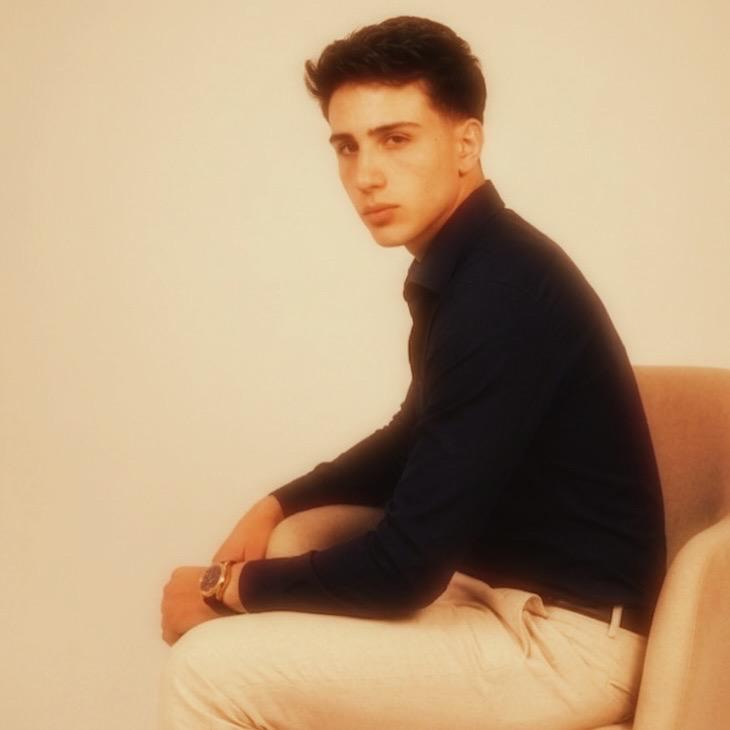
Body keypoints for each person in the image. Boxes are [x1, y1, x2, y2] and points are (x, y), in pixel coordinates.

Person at [159, 15, 666, 730]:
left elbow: (405, 570)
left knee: (206, 670)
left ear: (466, 143)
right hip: (500, 598)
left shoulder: (502, 291)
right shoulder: (473, 265)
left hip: (567, 644)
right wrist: (277, 503)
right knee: (288, 555)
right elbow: (415, 435)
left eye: (396, 139)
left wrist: (223, 589)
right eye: (347, 146)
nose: (366, 175)